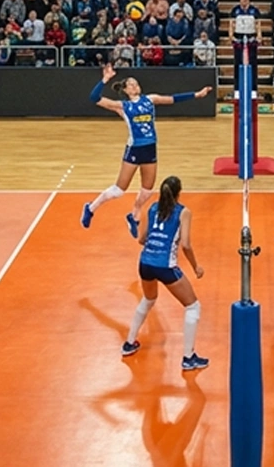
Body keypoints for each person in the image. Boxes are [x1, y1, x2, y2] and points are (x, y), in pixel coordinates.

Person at [82, 64, 212, 237]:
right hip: (134, 149)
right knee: (119, 190)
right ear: (126, 90)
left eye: (136, 83)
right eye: (131, 84)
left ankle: (134, 215)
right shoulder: (122, 106)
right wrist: (105, 79)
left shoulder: (150, 99)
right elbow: (94, 98)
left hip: (150, 149)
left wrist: (197, 95)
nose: (135, 86)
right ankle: (91, 208)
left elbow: (172, 99)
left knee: (147, 191)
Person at [121, 176, 209, 371]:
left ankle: (129, 343)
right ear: (179, 193)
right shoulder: (183, 212)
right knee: (193, 306)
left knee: (148, 299)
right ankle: (188, 357)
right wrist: (196, 267)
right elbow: (186, 244)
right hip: (165, 266)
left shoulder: (152, 208)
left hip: (145, 263)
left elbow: (141, 240)